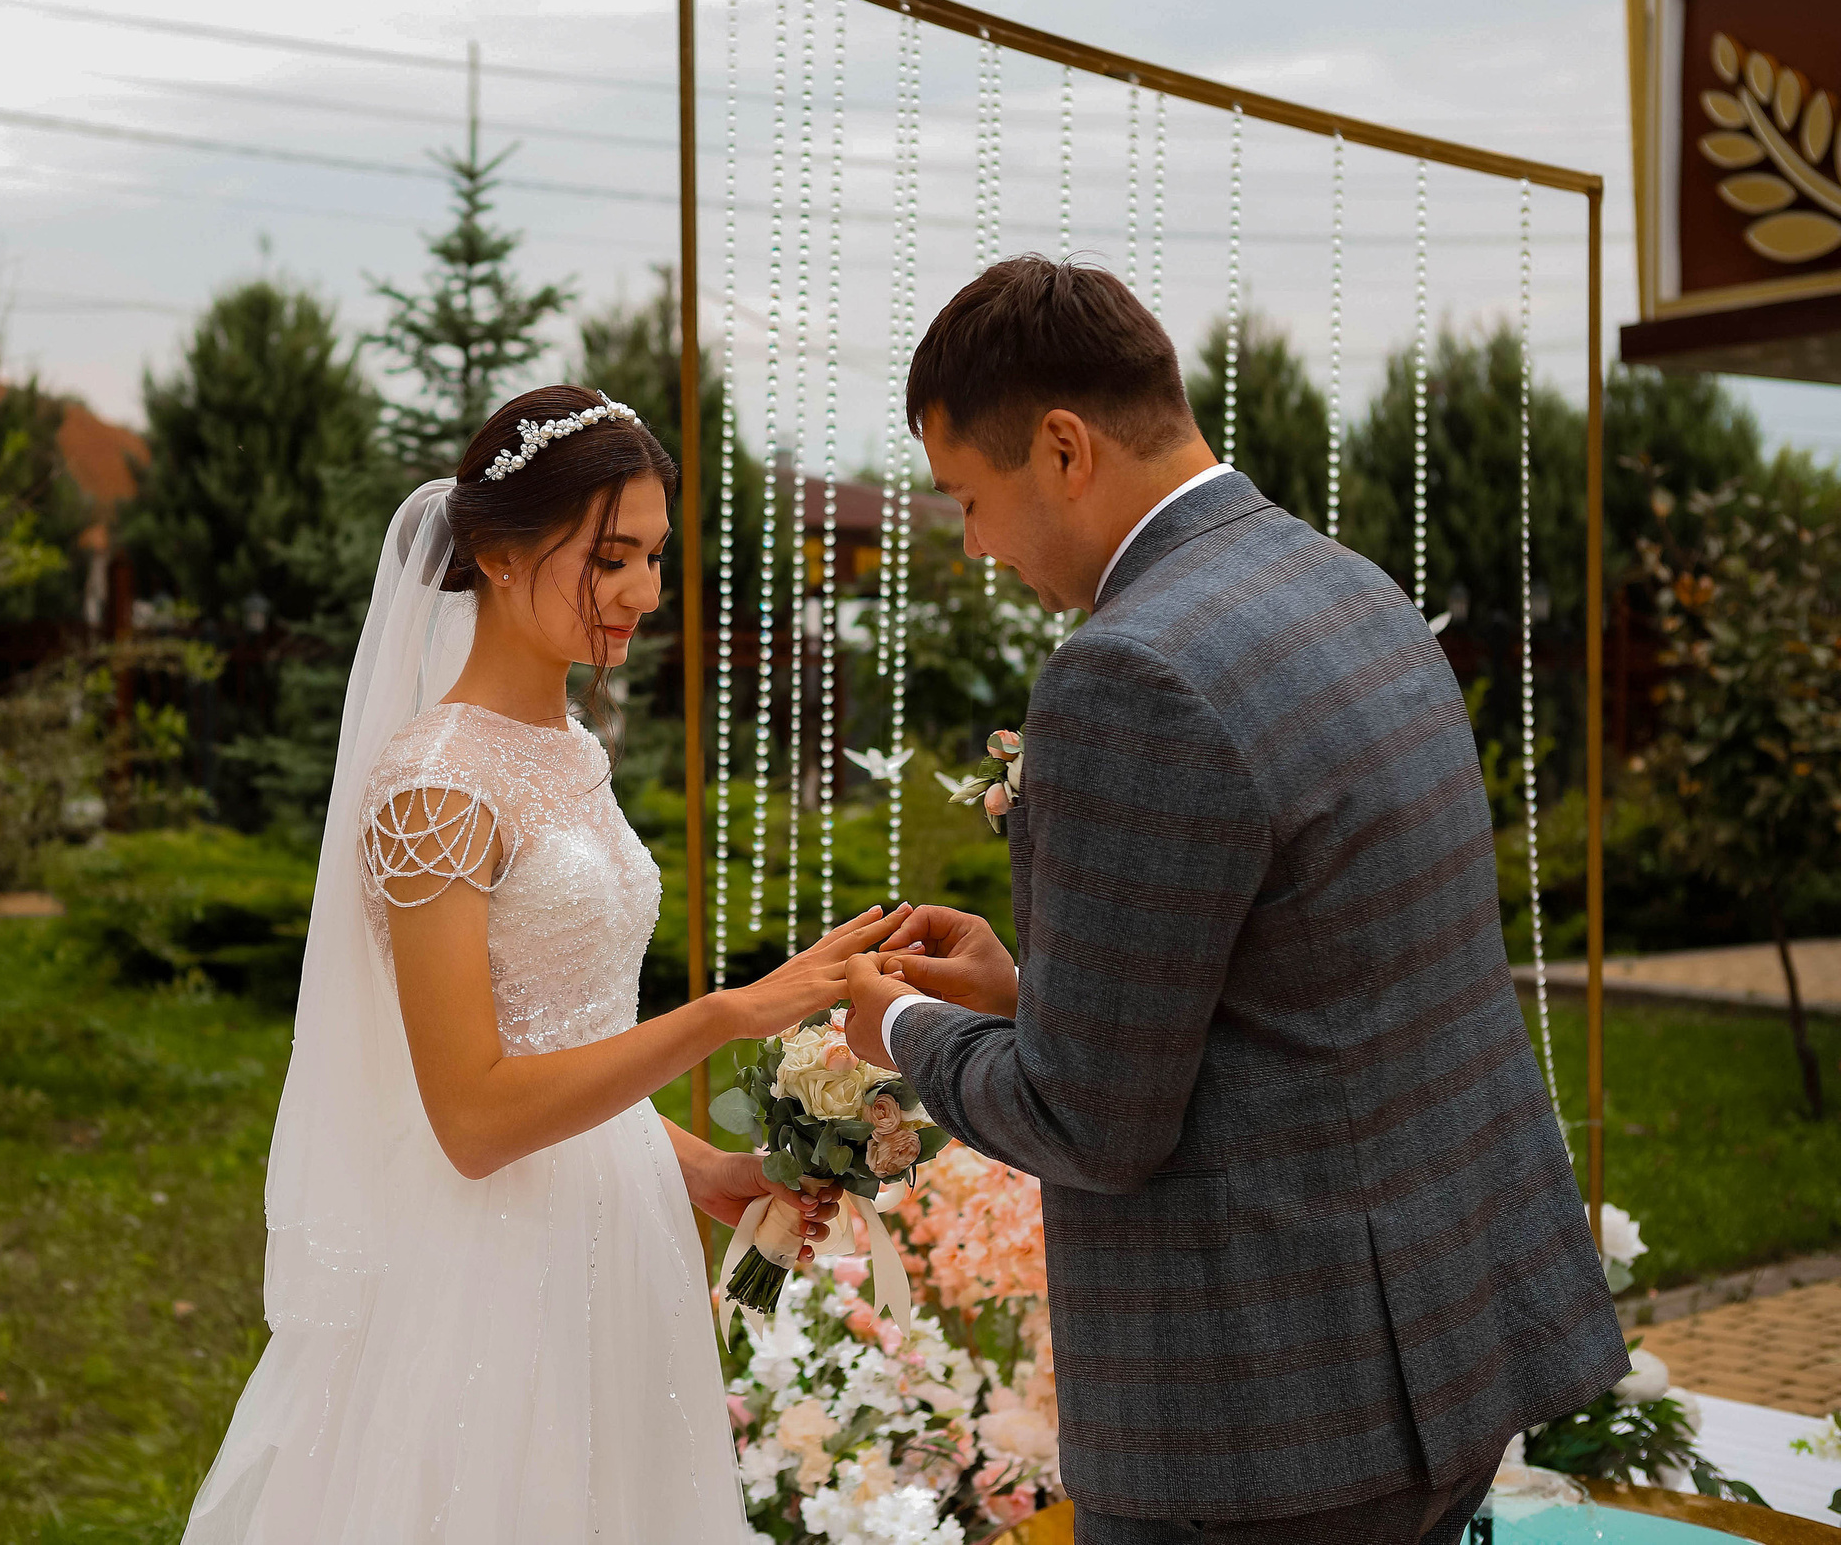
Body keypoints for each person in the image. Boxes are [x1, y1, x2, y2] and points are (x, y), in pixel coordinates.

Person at [840, 258, 1626, 1544]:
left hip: (1263, 1426)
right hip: (1447, 1358)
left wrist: (901, 1033)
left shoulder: (1127, 672)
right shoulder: (1347, 588)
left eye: (969, 500)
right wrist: (1031, 993)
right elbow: (1312, 977)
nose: (974, 545)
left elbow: (1090, 1121)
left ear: (1062, 447)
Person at [184, 385, 909, 1543]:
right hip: (483, 1277)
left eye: (655, 557)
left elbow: (559, 1038)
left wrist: (700, 1171)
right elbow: (471, 1115)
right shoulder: (435, 789)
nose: (641, 592)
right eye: (609, 554)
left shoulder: (567, 749)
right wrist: (725, 1016)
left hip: (615, 1243)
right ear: (497, 553)